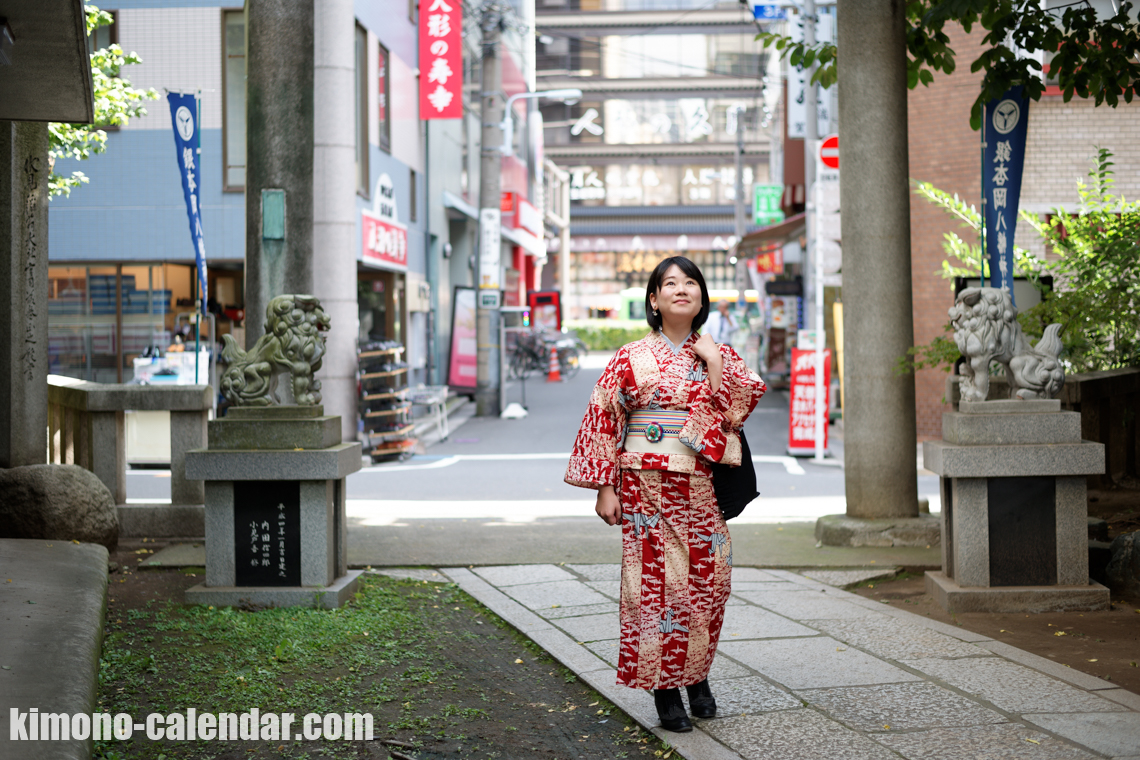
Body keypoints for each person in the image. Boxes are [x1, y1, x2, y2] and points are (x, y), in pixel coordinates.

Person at [564, 256, 766, 733]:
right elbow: (602, 418)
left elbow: (735, 415)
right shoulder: (629, 357)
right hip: (645, 487)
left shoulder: (723, 354)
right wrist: (603, 486)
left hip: (700, 485)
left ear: (701, 297)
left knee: (710, 584)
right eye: (669, 283)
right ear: (653, 300)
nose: (681, 289)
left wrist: (714, 362)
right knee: (655, 589)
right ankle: (665, 690)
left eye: (690, 282)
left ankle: (696, 676)